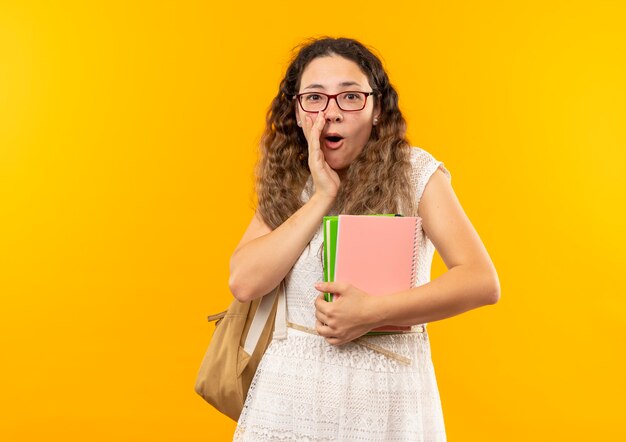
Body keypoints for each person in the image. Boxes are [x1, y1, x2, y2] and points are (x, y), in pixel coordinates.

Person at [228, 37, 500, 441]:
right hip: (291, 396)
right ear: (298, 112)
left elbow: (481, 280)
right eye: (315, 98)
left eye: (350, 96)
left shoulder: (414, 172)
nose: (331, 113)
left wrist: (372, 312)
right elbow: (244, 281)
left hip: (385, 395)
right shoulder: (292, 180)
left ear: (376, 110)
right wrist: (321, 195)